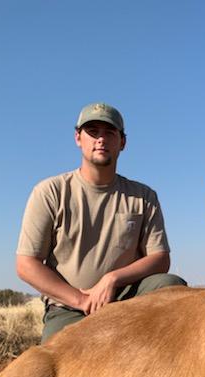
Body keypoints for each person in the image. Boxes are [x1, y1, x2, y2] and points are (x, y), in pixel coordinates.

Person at [16, 102, 186, 342]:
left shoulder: (144, 196)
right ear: (78, 138)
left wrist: (112, 279)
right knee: (54, 365)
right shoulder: (50, 191)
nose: (101, 139)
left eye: (109, 132)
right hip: (70, 308)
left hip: (126, 298)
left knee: (171, 286)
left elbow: (160, 259)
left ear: (122, 142)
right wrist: (81, 299)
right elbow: (26, 264)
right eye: (92, 132)